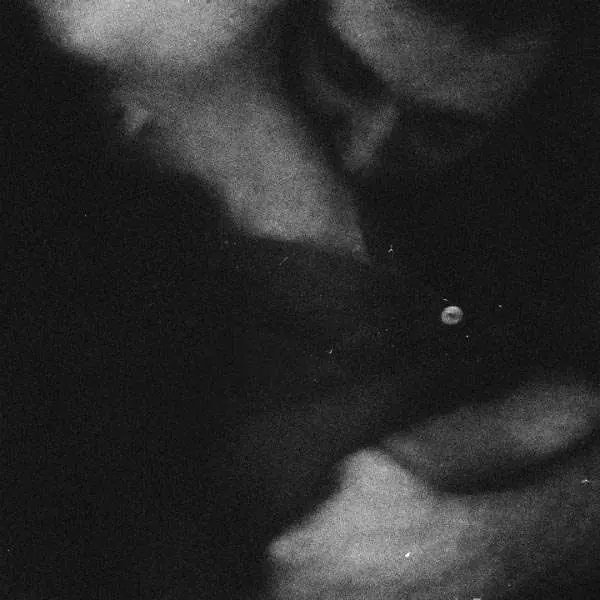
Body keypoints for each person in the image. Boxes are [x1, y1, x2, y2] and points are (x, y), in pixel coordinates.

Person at [4, 1, 600, 598]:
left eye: (442, 130)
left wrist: (493, 521)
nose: (367, 150)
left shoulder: (544, 180)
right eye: (345, 74)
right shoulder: (141, 86)